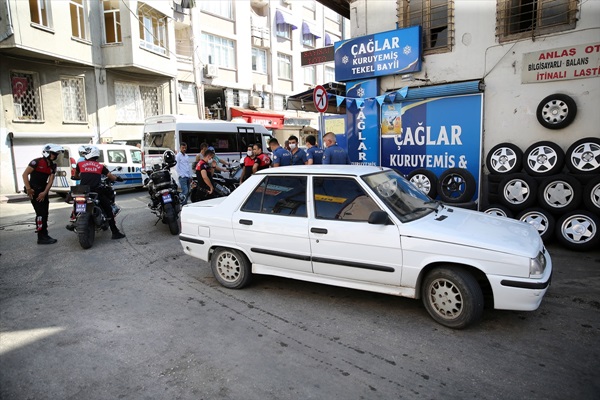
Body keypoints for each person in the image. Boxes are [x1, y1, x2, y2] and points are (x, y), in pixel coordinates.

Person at [73, 146, 126, 239]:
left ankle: (73, 219)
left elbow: (76, 175)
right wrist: (118, 179)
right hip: (95, 191)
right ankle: (115, 232)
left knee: (77, 202)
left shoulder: (80, 164)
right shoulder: (100, 166)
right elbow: (111, 177)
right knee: (108, 209)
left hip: (82, 191)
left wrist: (81, 177)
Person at [22, 144, 64, 245]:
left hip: (43, 191)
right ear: (47, 153)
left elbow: (50, 180)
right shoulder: (36, 162)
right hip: (34, 191)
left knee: (45, 213)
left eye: (56, 154)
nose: (55, 156)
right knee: (40, 213)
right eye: (54, 154)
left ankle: (44, 234)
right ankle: (41, 236)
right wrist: (28, 189)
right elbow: (25, 174)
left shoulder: (53, 165)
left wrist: (45, 192)